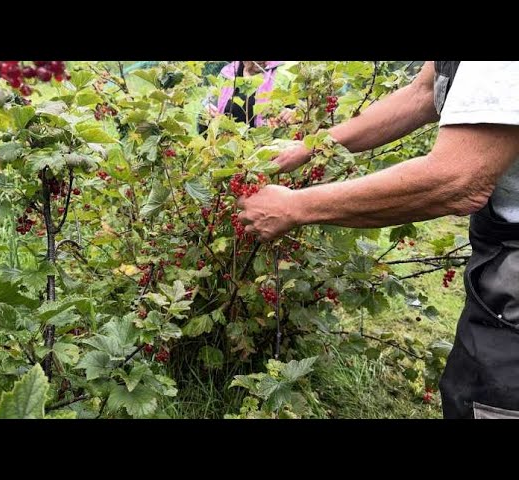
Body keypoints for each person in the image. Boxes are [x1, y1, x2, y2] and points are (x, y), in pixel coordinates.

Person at [237, 61, 519, 419]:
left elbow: (457, 179)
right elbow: (421, 95)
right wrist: (311, 147)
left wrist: (296, 207)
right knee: (471, 384)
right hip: (500, 250)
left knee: (495, 398)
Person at [198, 61, 296, 133]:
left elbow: (305, 108)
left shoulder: (285, 73)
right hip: (228, 148)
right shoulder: (228, 73)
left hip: (267, 150)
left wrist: (294, 113)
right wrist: (207, 109)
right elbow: (208, 103)